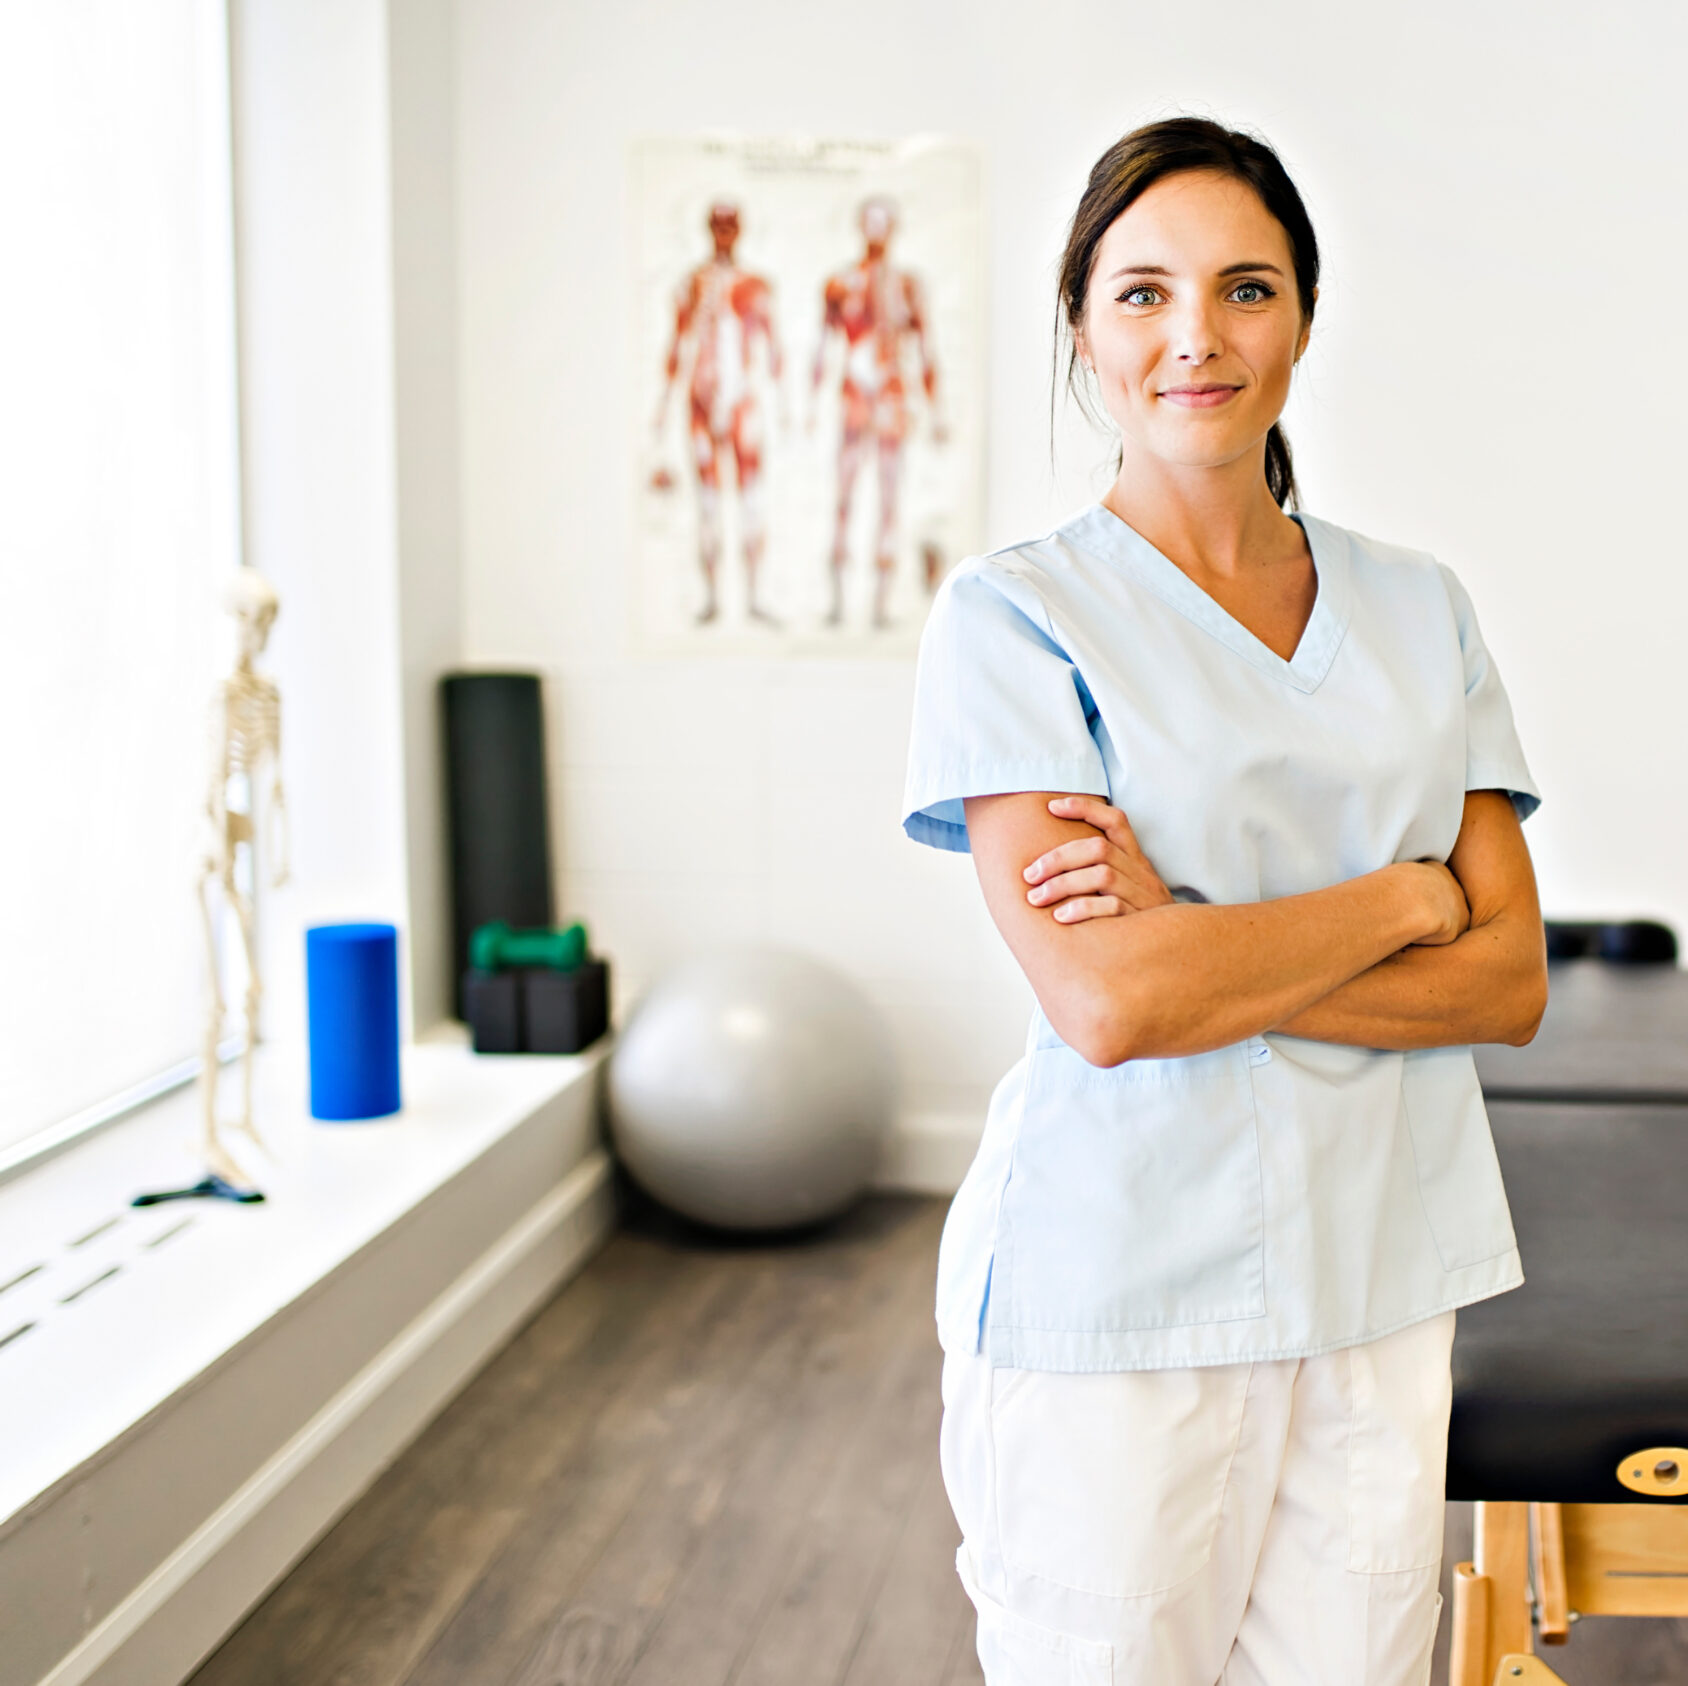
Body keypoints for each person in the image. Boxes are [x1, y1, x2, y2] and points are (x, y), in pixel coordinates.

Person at [901, 118, 1545, 1686]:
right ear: (1082, 331)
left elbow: (1510, 979)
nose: (1196, 336)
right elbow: (1113, 1005)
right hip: (1119, 1291)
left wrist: (1200, 931)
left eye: (1245, 288)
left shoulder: (1416, 605)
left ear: (1303, 320)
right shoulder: (1015, 617)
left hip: (1383, 1281)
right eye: (1141, 294)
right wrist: (1403, 897)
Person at [808, 194, 946, 629]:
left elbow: (925, 350)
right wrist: (811, 404)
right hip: (854, 398)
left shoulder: (907, 285)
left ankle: (880, 605)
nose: (876, 232)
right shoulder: (839, 282)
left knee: (888, 498)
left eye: (883, 224)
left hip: (890, 399)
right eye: (870, 223)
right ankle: (837, 602)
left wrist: (936, 410)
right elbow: (822, 345)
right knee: (844, 497)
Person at [654, 200, 781, 626]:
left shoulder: (755, 286)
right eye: (718, 226)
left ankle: (755, 596)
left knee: (751, 501)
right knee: (707, 503)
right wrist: (662, 407)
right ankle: (711, 597)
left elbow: (773, 347)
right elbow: (676, 345)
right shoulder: (692, 283)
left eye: (731, 227)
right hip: (700, 404)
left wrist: (783, 408)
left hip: (742, 403)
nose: (724, 234)